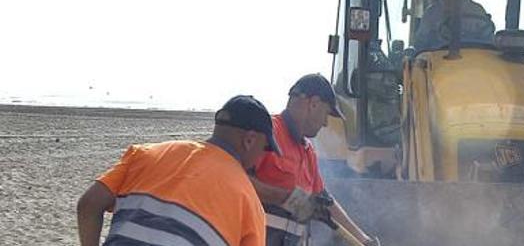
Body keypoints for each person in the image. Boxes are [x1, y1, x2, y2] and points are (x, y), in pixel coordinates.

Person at [76, 95, 281, 246]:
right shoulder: (250, 203)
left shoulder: (146, 154)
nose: (261, 157)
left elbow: (88, 204)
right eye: (265, 149)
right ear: (249, 140)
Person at [250, 74, 379, 246]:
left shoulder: (308, 151)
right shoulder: (268, 133)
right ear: (313, 104)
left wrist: (363, 240)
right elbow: (239, 182)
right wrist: (291, 200)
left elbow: (326, 202)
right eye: (326, 113)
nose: (325, 123)